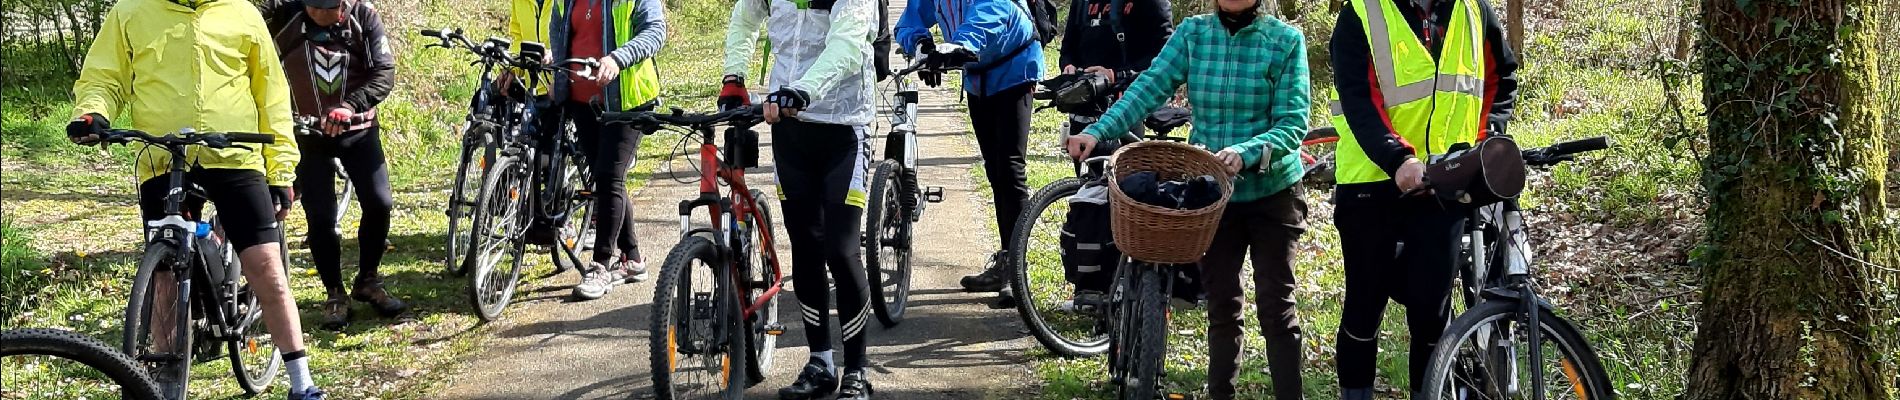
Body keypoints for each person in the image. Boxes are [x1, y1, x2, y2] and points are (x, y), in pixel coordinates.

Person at [66, 0, 326, 397]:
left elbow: (272, 95)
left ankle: (302, 382)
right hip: (163, 156)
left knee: (267, 268)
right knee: (165, 274)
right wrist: (93, 113)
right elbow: (104, 76)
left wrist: (280, 171)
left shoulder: (241, 12)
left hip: (235, 155)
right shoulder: (131, 11)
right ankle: (165, 384)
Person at [1062, 0, 1311, 397]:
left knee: (1276, 309)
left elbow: (1293, 122)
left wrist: (1247, 151)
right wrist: (1099, 130)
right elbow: (1149, 86)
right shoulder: (1194, 33)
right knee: (1222, 305)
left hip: (1273, 192)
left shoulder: (1285, 41)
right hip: (1211, 194)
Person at [1326, 0, 1518, 397]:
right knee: (1364, 309)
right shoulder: (1362, 12)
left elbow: (1500, 79)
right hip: (1371, 184)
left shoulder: (1472, 11)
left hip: (1444, 187)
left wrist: (1484, 140)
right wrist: (1398, 158)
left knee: (1432, 317)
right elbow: (1358, 98)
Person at [721, 0, 880, 395]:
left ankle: (856, 369)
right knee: (806, 247)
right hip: (790, 129)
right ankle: (820, 361)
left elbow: (846, 45)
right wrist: (734, 75)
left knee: (842, 251)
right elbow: (744, 18)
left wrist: (804, 91)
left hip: (844, 127)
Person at [260, 0, 408, 330]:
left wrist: (350, 106)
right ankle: (335, 293)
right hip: (306, 135)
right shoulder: (284, 15)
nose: (341, 12)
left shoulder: (364, 15)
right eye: (333, 7)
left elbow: (384, 72)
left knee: (380, 202)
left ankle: (368, 279)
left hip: (358, 129)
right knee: (321, 216)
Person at [894, 0, 1045, 293]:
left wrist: (958, 46)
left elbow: (992, 11)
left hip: (1015, 67)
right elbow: (909, 20)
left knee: (1010, 168)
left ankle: (1017, 272)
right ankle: (1005, 260)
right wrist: (924, 47)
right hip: (979, 78)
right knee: (994, 171)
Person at [540, 0, 668, 300]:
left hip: (627, 102)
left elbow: (655, 32)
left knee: (609, 177)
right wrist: (559, 78)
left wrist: (618, 58)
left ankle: (600, 265)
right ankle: (634, 260)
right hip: (582, 103)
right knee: (605, 179)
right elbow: (559, 32)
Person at [1052, 0, 1172, 309]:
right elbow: (1069, 45)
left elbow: (1165, 58)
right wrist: (1069, 66)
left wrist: (1116, 73)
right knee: (1091, 199)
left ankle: (1125, 286)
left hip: (1128, 105)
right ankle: (1092, 285)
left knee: (1125, 198)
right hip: (1086, 107)